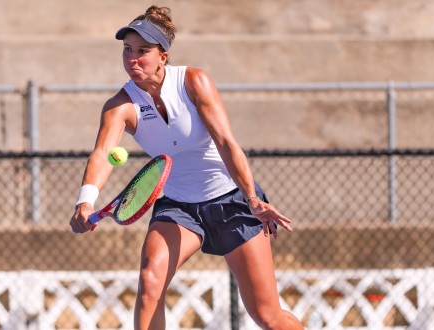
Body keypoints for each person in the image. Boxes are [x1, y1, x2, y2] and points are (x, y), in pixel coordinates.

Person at [70, 5, 303, 330]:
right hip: (178, 207)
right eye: (127, 50)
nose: (132, 59)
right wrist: (85, 202)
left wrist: (252, 197)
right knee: (150, 282)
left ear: (163, 56)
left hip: (232, 201)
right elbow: (103, 154)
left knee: (267, 316)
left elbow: (226, 143)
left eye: (142, 51)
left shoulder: (193, 82)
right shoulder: (119, 107)